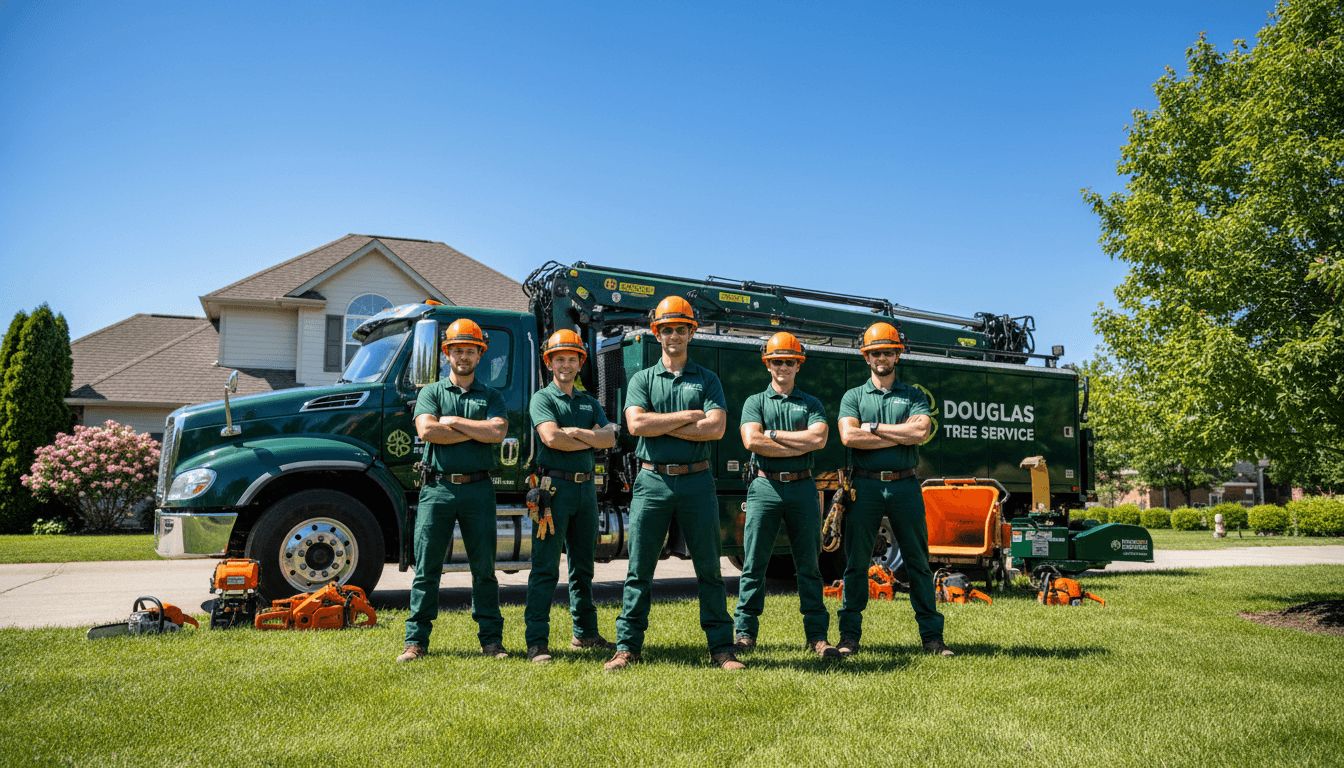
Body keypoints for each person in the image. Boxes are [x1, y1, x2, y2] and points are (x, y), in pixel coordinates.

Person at [605, 296, 742, 671]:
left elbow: (715, 427)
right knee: (639, 568)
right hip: (652, 481)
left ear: (690, 333)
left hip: (697, 480)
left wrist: (661, 421)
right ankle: (627, 647)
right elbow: (636, 425)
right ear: (657, 334)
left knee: (710, 569)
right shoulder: (643, 379)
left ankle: (721, 648)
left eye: (680, 329)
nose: (673, 336)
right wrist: (687, 417)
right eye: (666, 330)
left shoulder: (707, 378)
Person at [836, 321, 954, 657]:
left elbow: (920, 433)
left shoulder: (914, 395)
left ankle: (932, 638)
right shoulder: (853, 396)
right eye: (874, 352)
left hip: (905, 484)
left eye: (887, 351)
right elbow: (848, 436)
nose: (881, 357)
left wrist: (871, 427)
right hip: (864, 486)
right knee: (856, 564)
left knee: (918, 562)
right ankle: (849, 637)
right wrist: (897, 432)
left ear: (896, 356)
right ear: (866, 357)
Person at [397, 319, 509, 662]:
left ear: (480, 355)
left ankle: (491, 642)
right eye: (457, 350)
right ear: (446, 355)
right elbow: (428, 431)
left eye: (470, 350)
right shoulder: (430, 392)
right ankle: (415, 642)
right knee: (427, 568)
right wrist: (477, 431)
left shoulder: (492, 395)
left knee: (484, 571)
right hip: (438, 488)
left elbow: (498, 433)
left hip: (479, 489)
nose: (463, 356)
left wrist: (454, 422)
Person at [733, 332, 839, 658]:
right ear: (768, 365)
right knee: (753, 563)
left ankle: (817, 637)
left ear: (798, 365)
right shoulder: (755, 402)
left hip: (803, 486)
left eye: (789, 362)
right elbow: (752, 441)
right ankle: (745, 633)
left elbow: (819, 439)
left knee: (809, 565)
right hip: (764, 485)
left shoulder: (811, 403)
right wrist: (798, 439)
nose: (783, 367)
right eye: (776, 361)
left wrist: (774, 434)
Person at [524, 330, 621, 663]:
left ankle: (586, 634)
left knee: (584, 568)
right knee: (546, 568)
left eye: (572, 358)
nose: (566, 364)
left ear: (580, 363)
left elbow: (609, 439)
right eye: (559, 358)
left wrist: (578, 434)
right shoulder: (543, 398)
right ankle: (537, 641)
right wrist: (591, 437)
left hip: (586, 491)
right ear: (549, 362)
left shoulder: (588, 401)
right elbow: (551, 438)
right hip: (553, 491)